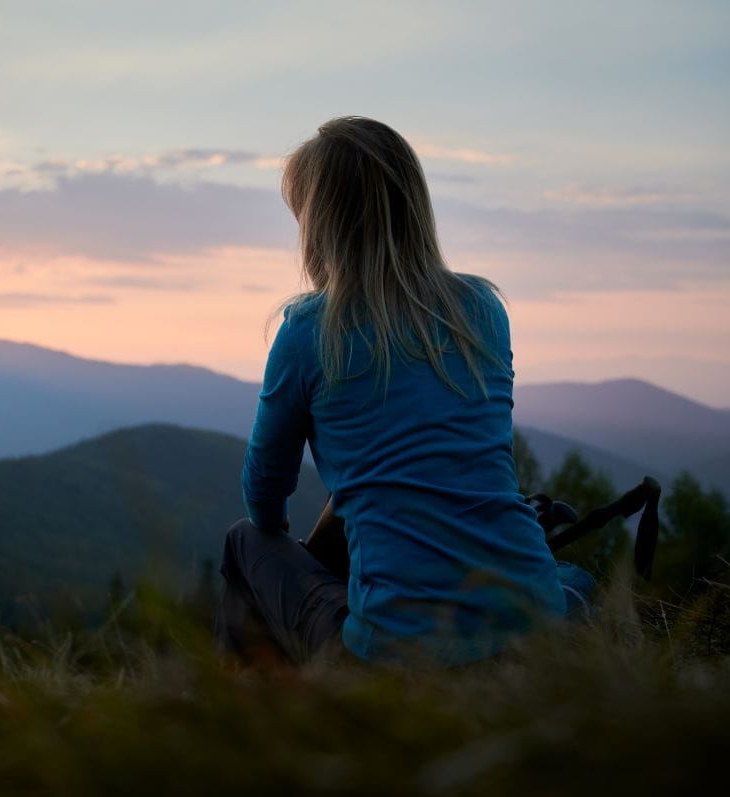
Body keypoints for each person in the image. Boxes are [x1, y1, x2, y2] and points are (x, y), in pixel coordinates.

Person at [215, 117, 594, 666]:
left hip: (392, 656)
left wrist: (315, 542)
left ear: (321, 221)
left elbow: (264, 496)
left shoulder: (310, 329)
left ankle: (249, 722)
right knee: (572, 580)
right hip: (530, 626)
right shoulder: (482, 311)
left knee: (244, 540)